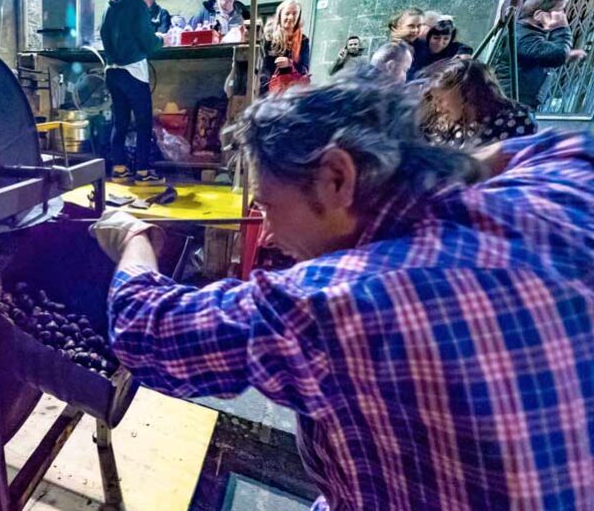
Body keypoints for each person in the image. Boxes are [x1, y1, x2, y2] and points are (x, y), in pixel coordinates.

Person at [89, 74, 594, 509]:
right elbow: (549, 147)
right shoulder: (559, 182)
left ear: (336, 177)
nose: (264, 234)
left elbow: (145, 329)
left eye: (267, 206)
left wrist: (133, 238)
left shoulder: (343, 301)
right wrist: (428, 171)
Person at [100, 0, 165, 186]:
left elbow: (104, 36)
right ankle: (143, 172)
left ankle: (119, 170)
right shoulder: (137, 4)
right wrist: (161, 39)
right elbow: (148, 43)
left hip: (112, 72)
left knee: (120, 121)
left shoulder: (111, 4)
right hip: (133, 73)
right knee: (143, 122)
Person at [495, 0, 588, 109]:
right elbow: (555, 55)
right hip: (511, 103)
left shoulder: (527, 33)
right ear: (539, 14)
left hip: (518, 101)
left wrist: (566, 57)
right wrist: (560, 28)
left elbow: (538, 58)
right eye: (559, 11)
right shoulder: (523, 36)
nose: (563, 15)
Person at [420, 58, 536, 148]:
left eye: (440, 100)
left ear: (466, 92)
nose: (438, 109)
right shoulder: (441, 123)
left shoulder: (516, 120)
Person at [260, 0, 310, 94]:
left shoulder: (304, 40)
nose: (291, 17)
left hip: (294, 92)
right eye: (287, 13)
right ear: (280, 16)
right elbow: (263, 68)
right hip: (271, 91)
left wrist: (290, 63)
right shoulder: (269, 38)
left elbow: (305, 69)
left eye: (295, 13)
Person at [408, 18, 474, 79]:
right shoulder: (418, 45)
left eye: (446, 39)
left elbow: (466, 48)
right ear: (429, 37)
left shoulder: (452, 48)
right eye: (436, 38)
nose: (440, 43)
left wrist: (461, 55)